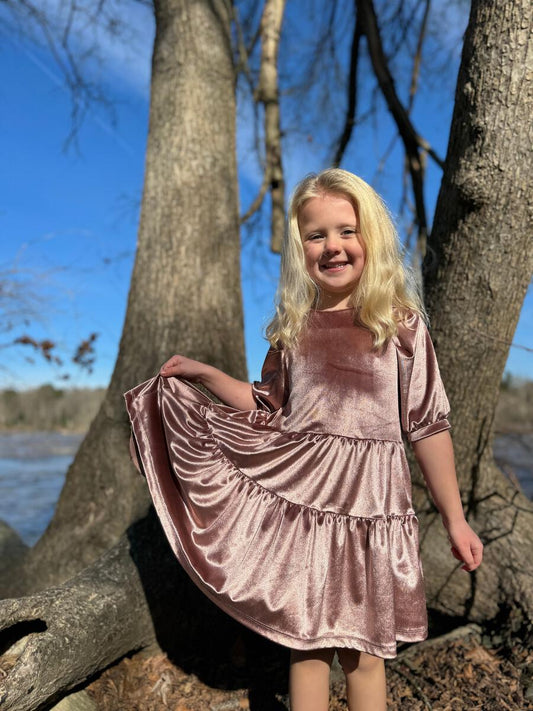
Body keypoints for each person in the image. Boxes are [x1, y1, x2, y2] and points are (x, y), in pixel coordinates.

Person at [125, 168, 483, 711]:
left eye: (346, 231)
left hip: (372, 514)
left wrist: (454, 519)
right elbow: (267, 408)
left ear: (371, 237)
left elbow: (429, 426)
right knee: (307, 646)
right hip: (306, 513)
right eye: (316, 236)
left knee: (364, 656)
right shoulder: (295, 330)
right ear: (301, 249)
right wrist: (208, 377)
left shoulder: (400, 326)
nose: (332, 246)